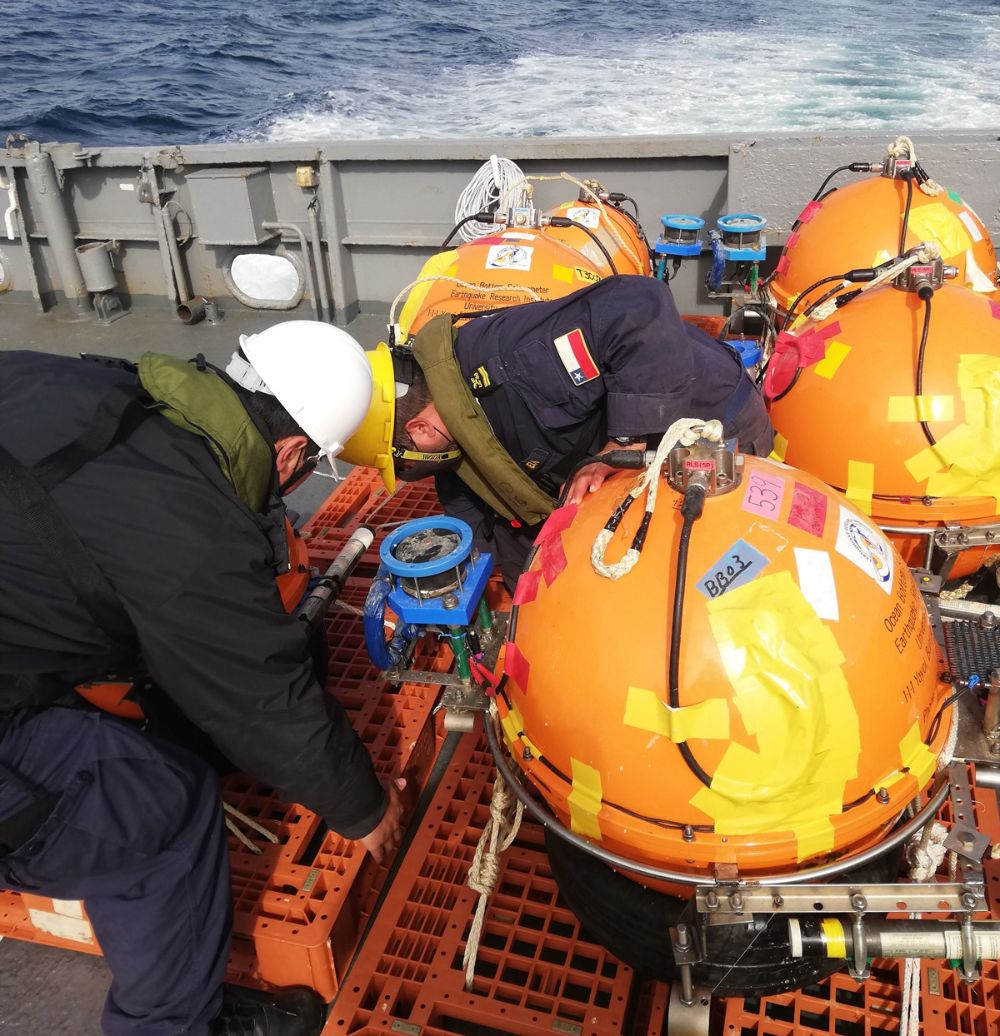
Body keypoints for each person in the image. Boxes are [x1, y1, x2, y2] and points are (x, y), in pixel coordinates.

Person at [0, 323, 406, 1036]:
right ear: (288, 453)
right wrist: (365, 808)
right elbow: (259, 698)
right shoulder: (188, 521)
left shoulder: (94, 388)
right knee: (160, 808)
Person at [342, 275, 774, 587]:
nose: (413, 469)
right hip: (629, 447)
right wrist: (491, 582)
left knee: (695, 576)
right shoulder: (454, 412)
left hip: (710, 432)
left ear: (418, 427)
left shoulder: (516, 363)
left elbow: (641, 304)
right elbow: (479, 504)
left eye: (403, 460)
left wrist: (623, 443)